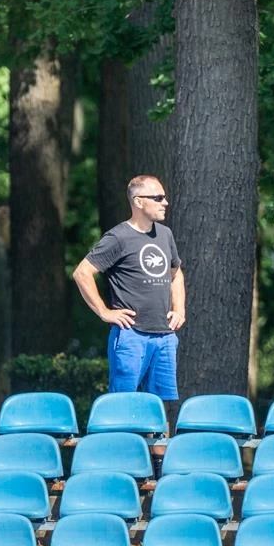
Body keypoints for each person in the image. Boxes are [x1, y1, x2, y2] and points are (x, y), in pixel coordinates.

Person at [73, 174, 186, 412]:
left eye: (164, 197)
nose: (165, 202)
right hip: (131, 335)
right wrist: (104, 312)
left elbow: (176, 274)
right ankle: (123, 438)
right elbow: (82, 273)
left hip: (164, 336)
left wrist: (179, 309)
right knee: (122, 405)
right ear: (138, 201)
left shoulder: (165, 234)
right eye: (158, 198)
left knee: (160, 409)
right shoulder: (118, 237)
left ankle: (158, 440)